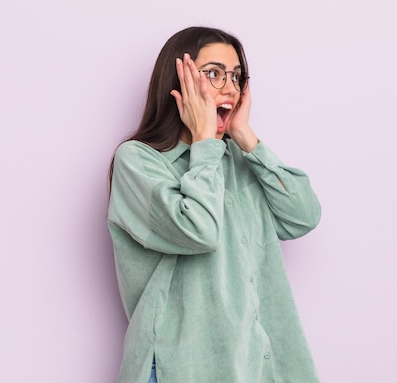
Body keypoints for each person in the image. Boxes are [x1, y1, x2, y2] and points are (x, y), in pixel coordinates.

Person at [107, 26, 322, 383]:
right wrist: (205, 139)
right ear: (179, 81)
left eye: (236, 77)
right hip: (182, 367)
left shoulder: (239, 160)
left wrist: (245, 138)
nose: (230, 88)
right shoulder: (138, 161)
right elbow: (199, 232)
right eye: (214, 74)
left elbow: (304, 216)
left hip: (255, 364)